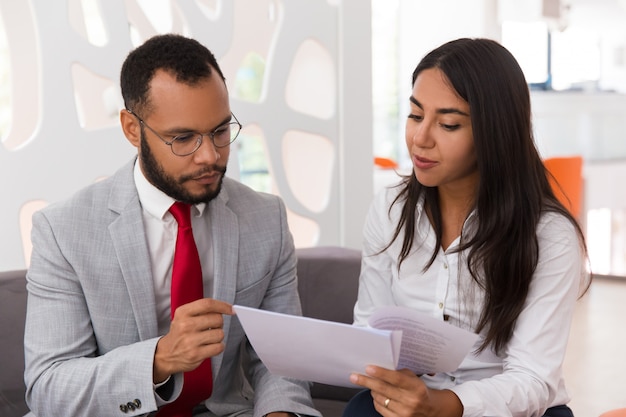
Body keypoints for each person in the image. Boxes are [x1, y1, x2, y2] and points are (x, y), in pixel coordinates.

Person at [24, 33, 320, 417]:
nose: (210, 156)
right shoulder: (63, 231)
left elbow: (284, 359)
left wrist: (279, 414)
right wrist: (159, 360)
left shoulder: (266, 219)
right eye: (183, 138)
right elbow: (48, 386)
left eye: (220, 131)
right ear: (133, 129)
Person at [342, 38, 590, 417]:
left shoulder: (549, 236)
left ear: (494, 133)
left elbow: (533, 379)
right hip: (413, 398)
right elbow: (369, 329)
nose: (420, 138)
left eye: (448, 124)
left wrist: (443, 406)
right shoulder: (389, 209)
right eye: (414, 115)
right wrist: (387, 375)